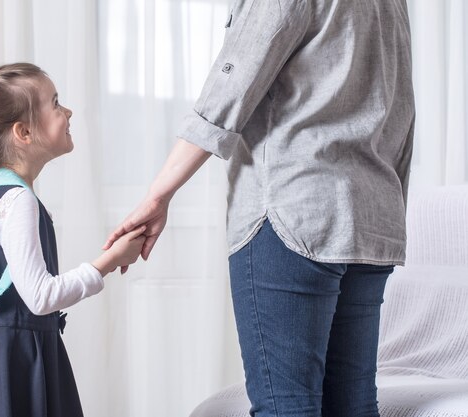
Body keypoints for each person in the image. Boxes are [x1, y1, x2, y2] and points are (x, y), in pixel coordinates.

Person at [104, 1, 415, 416]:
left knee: (287, 408)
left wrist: (158, 194)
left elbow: (230, 86)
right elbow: (400, 112)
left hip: (292, 214)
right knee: (352, 407)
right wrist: (390, 203)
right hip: (370, 220)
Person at [0, 63, 146, 417]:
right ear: (23, 132)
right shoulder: (17, 201)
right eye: (55, 103)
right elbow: (41, 297)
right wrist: (111, 260)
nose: (67, 112)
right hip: (16, 367)